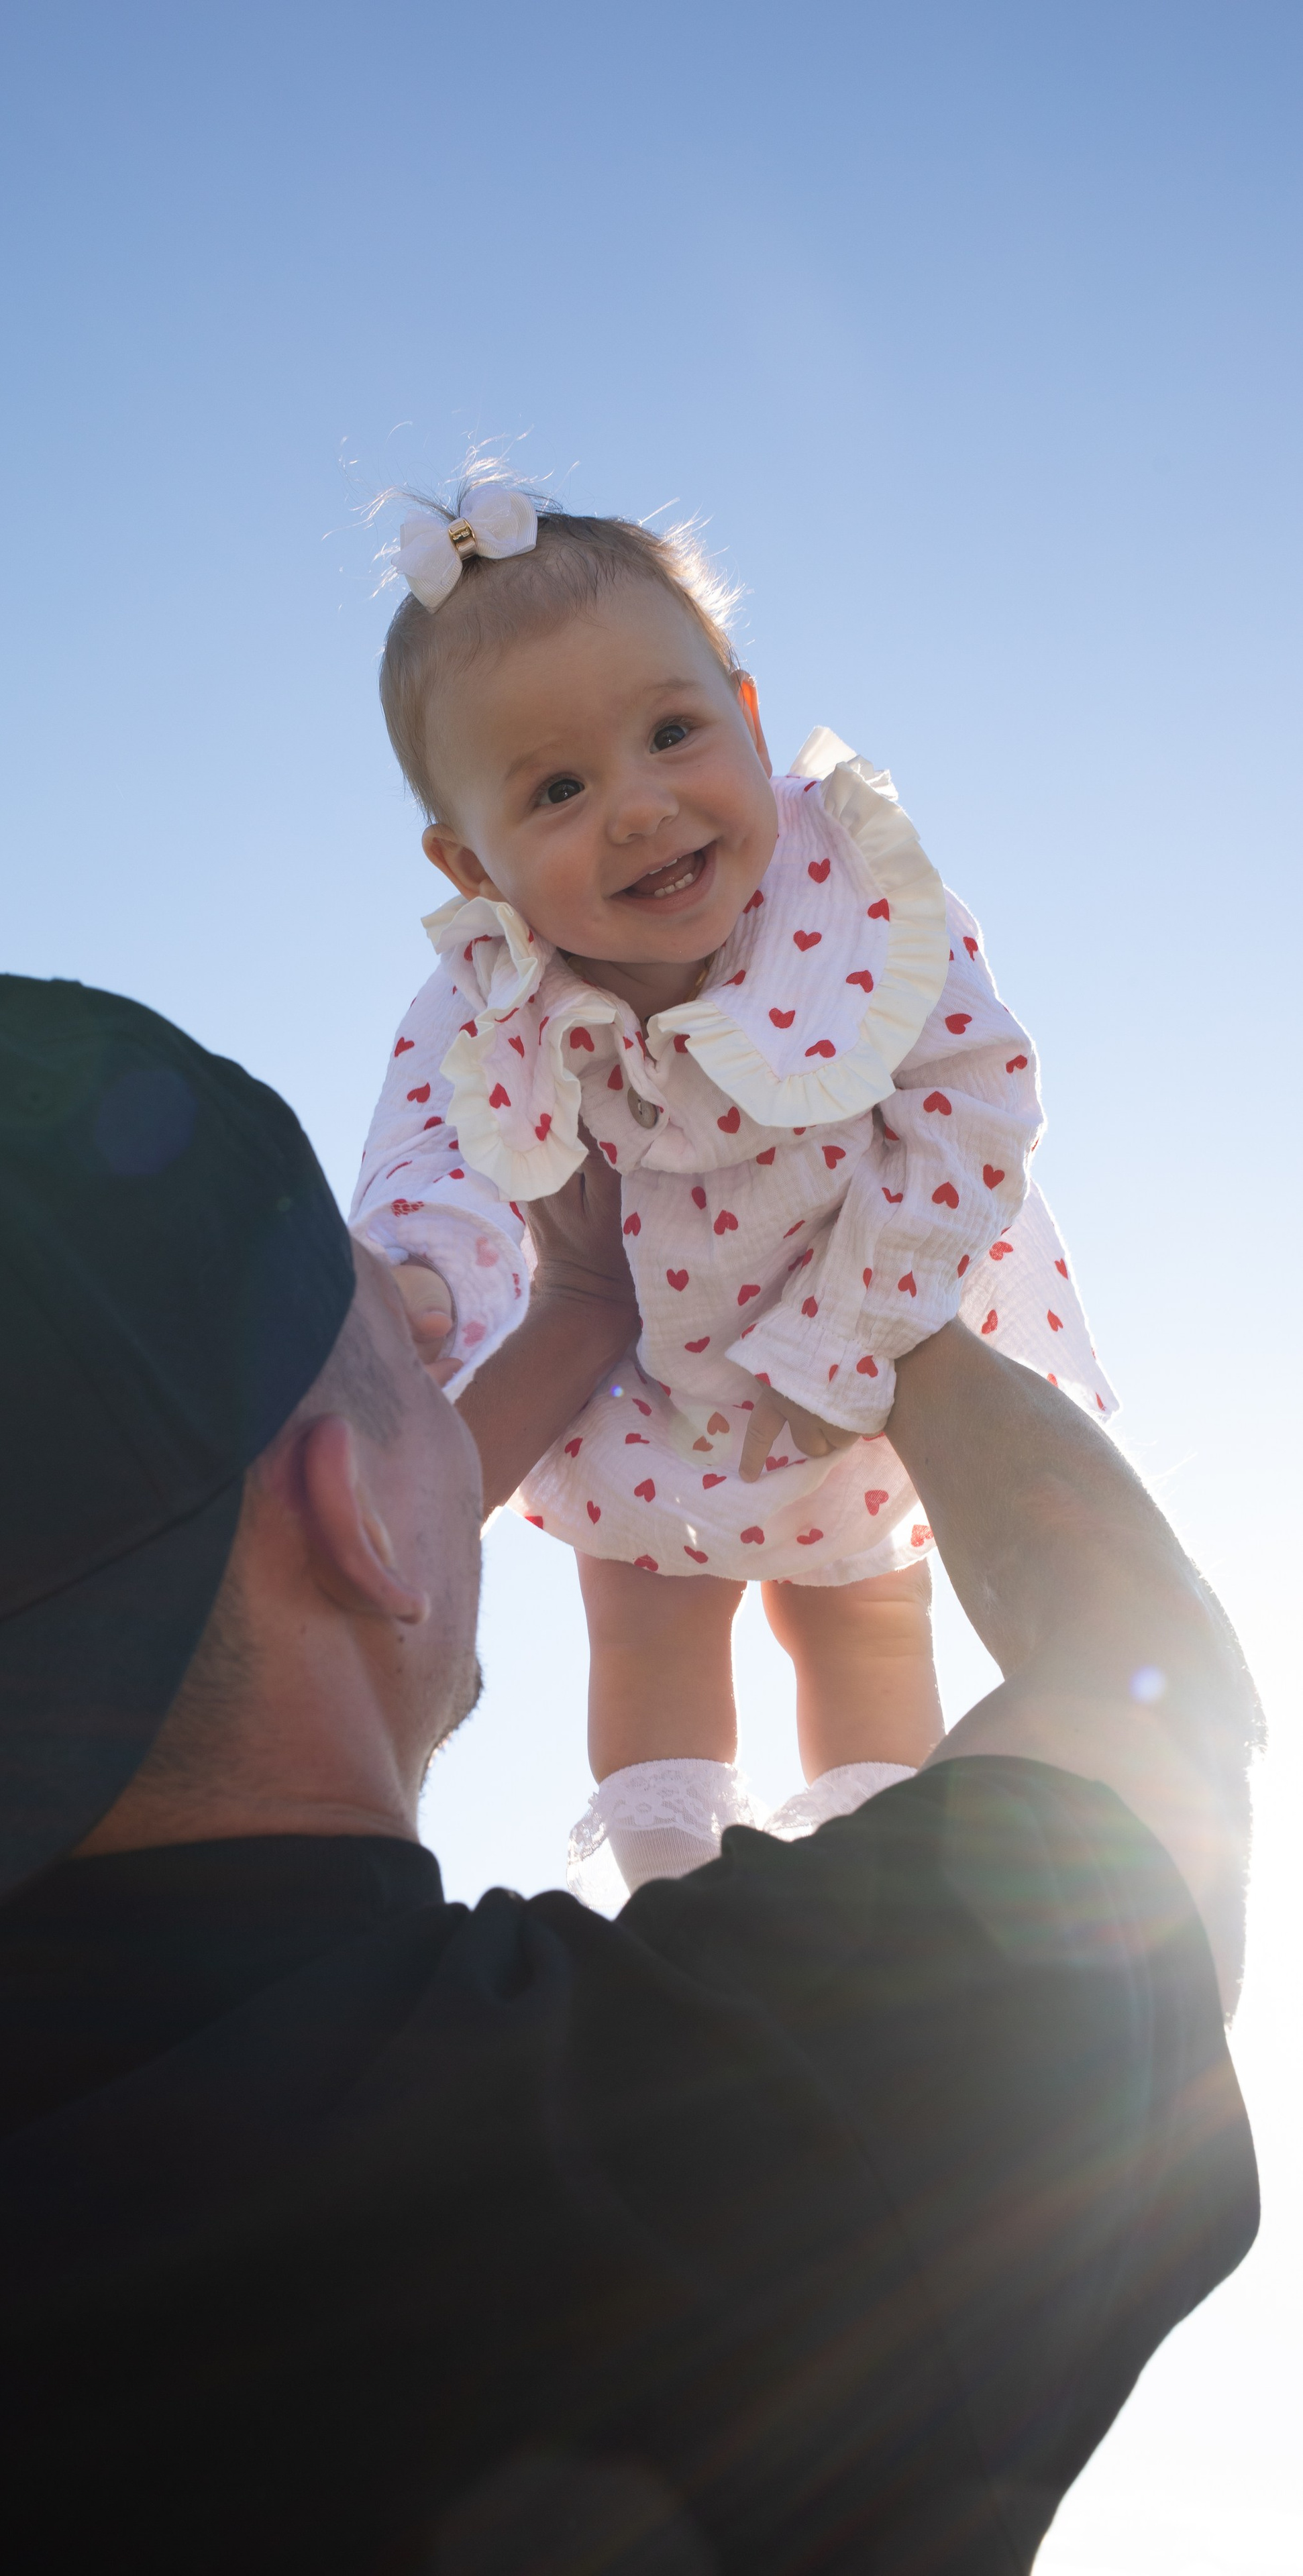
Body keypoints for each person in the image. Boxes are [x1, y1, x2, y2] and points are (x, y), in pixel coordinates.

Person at [0, 971, 1257, 2575]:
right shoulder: (712, 2126)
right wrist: (878, 1295)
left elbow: (306, 1554)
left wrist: (576, 1311)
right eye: (404, 1334)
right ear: (355, 1515)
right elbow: (1156, 1699)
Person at [351, 480, 1112, 1894]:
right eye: (557, 790)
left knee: (863, 1622)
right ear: (472, 864)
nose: (639, 808)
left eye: (671, 734)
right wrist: (419, 1278)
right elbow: (444, 1157)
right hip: (643, 1362)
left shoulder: (852, 896)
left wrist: (844, 1340)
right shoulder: (492, 994)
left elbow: (974, 1109)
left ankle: (882, 1893)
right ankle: (677, 1899)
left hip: (868, 1307)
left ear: (749, 723)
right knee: (644, 1615)